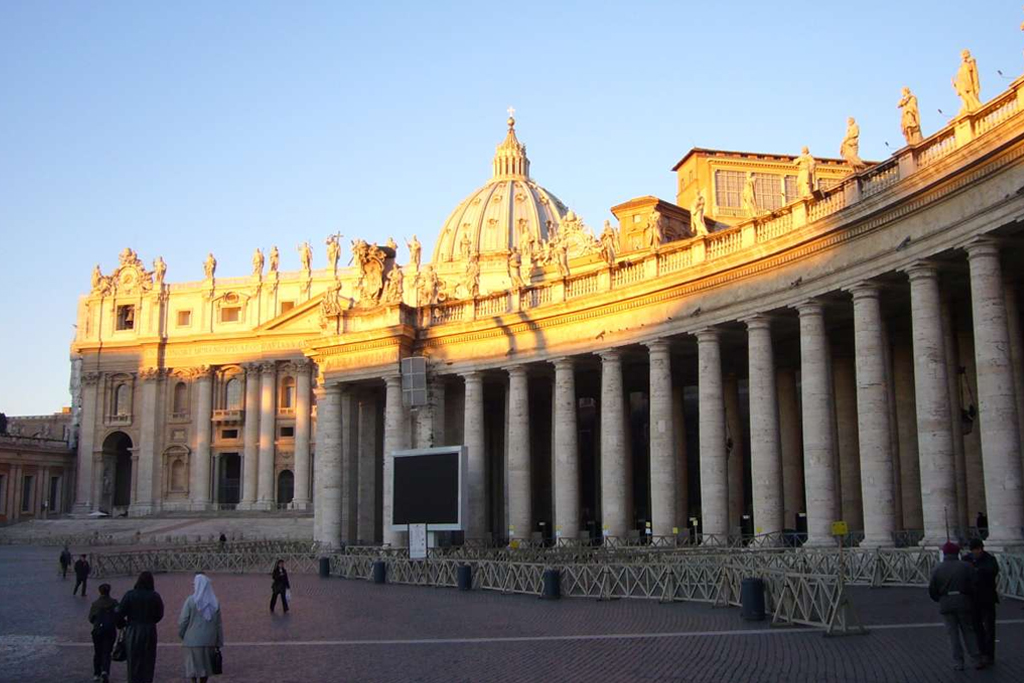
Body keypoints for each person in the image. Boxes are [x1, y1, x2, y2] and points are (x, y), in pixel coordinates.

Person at [929, 541, 984, 671]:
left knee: (952, 634)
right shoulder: (966, 566)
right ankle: (976, 659)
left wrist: (941, 599)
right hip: (964, 601)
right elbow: (974, 584)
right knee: (968, 631)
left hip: (946, 602)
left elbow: (932, 589)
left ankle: (958, 662)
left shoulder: (937, 568)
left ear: (944, 553)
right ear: (957, 553)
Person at [116, 571, 164, 683]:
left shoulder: (130, 595)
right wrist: (150, 621)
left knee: (133, 661)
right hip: (149, 630)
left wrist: (123, 624)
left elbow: (119, 613)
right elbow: (159, 614)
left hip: (133, 630)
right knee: (148, 661)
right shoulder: (155, 596)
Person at [178, 573, 224, 683]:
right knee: (205, 668)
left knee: (193, 669)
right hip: (209, 640)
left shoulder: (190, 601)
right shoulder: (214, 602)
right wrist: (219, 641)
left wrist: (182, 634)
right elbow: (218, 624)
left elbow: (183, 620)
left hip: (192, 640)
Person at [965, 539, 999, 666]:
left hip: (987, 598)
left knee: (989, 627)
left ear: (981, 548)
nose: (975, 552)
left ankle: (989, 655)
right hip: (973, 599)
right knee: (977, 628)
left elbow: (992, 572)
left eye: (977, 549)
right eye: (973, 550)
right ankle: (981, 653)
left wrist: (977, 570)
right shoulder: (966, 559)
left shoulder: (989, 559)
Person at [88, 583, 118, 683]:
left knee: (97, 652)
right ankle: (105, 670)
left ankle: (96, 673)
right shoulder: (114, 603)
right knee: (107, 652)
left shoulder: (95, 604)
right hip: (110, 630)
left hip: (97, 631)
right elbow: (118, 615)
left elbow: (91, 619)